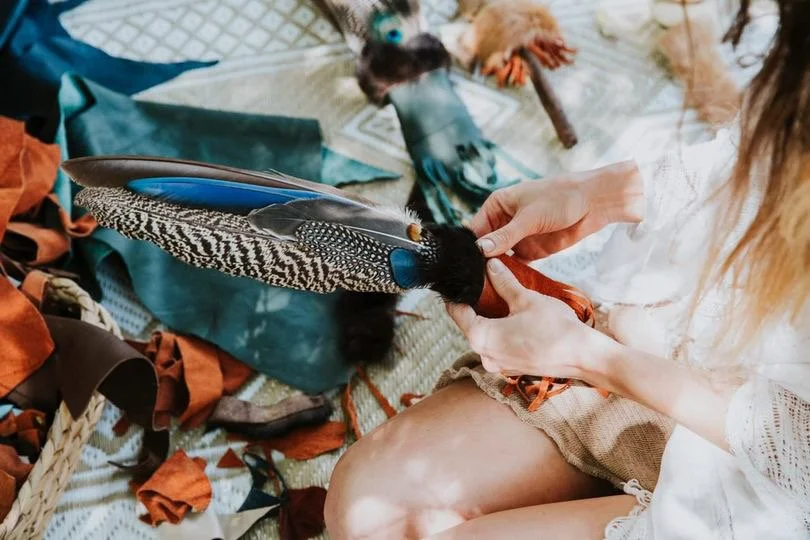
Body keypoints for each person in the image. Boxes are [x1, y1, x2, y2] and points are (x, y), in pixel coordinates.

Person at [323, 2, 810, 538]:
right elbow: (754, 162)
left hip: (759, 488)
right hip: (673, 350)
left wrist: (590, 358)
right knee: (366, 514)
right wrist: (597, 193)